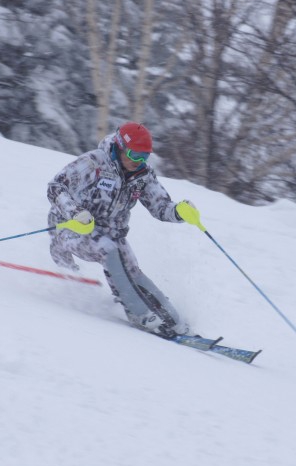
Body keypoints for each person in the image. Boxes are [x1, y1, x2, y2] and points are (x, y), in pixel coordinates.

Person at [47, 122, 200, 338]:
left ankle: (172, 320)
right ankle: (138, 313)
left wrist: (179, 212)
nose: (138, 161)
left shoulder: (143, 176)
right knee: (108, 250)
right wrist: (74, 212)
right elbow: (55, 187)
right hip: (70, 227)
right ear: (119, 147)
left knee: (131, 270)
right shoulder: (94, 163)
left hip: (110, 233)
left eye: (144, 157)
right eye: (134, 154)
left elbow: (160, 207)